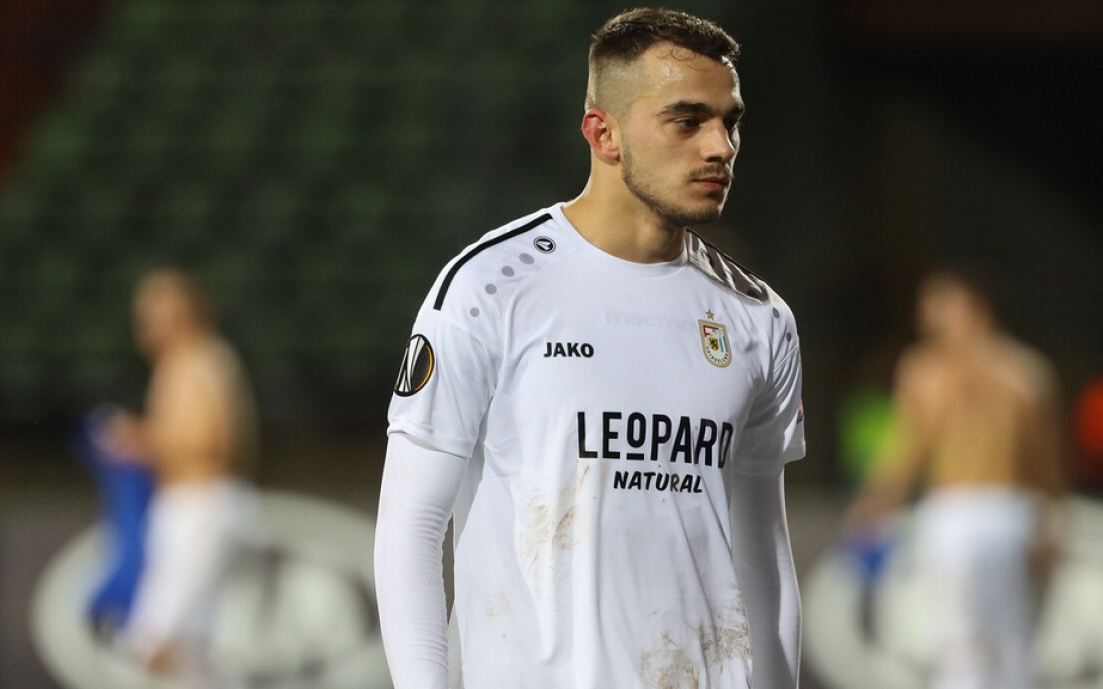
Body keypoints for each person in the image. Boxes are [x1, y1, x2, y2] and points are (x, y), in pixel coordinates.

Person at [375, 9, 805, 689]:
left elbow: (763, 554)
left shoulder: (759, 318)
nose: (720, 146)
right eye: (687, 121)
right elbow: (411, 527)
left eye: (731, 122)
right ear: (603, 133)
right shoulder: (491, 286)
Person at [845, 268, 1066, 689]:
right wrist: (875, 504)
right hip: (958, 512)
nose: (928, 316)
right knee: (964, 639)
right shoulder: (939, 369)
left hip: (1004, 511)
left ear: (975, 306)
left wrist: (1054, 517)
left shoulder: (1016, 373)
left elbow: (1044, 458)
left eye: (940, 305)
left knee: (1006, 637)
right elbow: (907, 447)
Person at [105, 268, 259, 688]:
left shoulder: (198, 360)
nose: (148, 324)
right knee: (191, 654)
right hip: (191, 506)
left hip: (202, 505)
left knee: (150, 642)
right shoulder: (185, 362)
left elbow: (211, 440)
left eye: (159, 313)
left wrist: (141, 438)